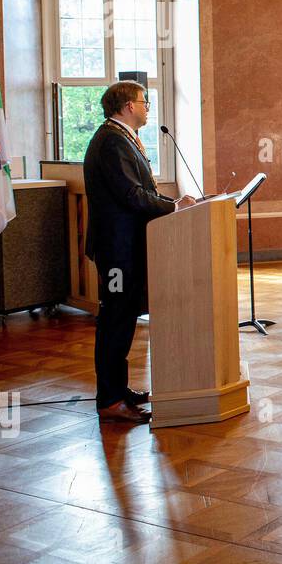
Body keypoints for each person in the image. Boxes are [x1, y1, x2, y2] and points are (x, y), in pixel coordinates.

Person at [84, 81, 195, 424]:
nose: (147, 107)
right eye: (144, 101)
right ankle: (110, 399)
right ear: (128, 106)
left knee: (123, 319)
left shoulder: (120, 137)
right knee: (115, 321)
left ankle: (119, 389)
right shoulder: (112, 141)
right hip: (117, 250)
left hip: (127, 247)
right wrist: (173, 206)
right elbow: (131, 195)